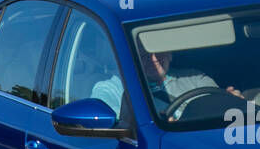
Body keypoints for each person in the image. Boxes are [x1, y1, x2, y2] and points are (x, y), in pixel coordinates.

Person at [91, 45, 222, 117]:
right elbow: (104, 116)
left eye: (159, 52)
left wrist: (232, 101)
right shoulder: (112, 87)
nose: (154, 59)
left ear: (170, 54)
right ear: (132, 58)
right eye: (144, 55)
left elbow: (219, 104)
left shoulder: (193, 77)